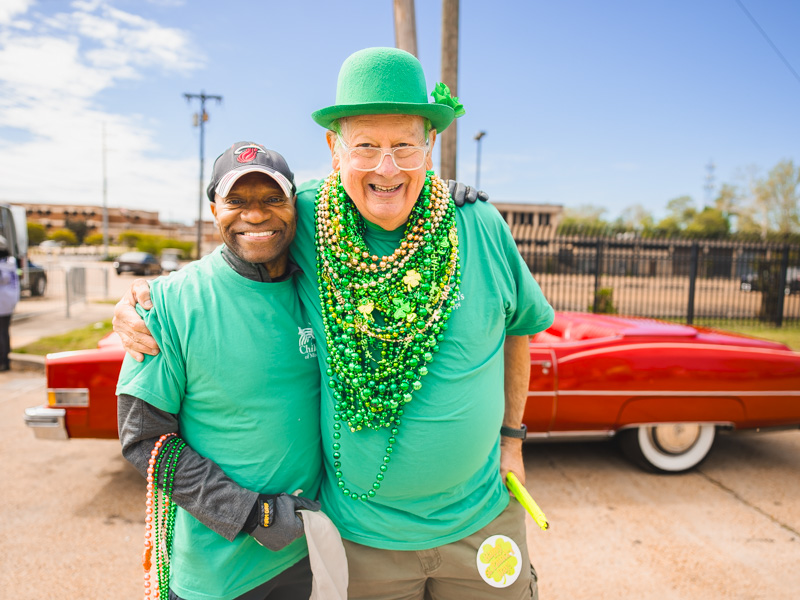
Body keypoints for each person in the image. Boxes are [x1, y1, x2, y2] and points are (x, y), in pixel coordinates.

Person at [115, 47, 554, 599]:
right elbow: (246, 234)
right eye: (366, 146)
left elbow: (521, 327)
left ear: (430, 146)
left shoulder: (479, 225)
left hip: (483, 521)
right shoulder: (309, 220)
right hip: (363, 540)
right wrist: (144, 296)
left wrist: (513, 438)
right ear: (334, 147)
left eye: (404, 146)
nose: (385, 168)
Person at [115, 143, 324, 600]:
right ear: (214, 210)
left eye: (272, 199)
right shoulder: (169, 303)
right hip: (217, 575)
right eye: (237, 201)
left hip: (307, 557)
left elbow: (376, 192)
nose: (255, 215)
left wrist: (442, 193)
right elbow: (144, 439)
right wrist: (252, 514)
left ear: (295, 208)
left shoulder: (318, 292)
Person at [0, 234, 20, 372]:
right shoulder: (10, 261)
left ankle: (3, 361)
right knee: (4, 332)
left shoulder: (2, 265)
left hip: (2, 302)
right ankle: (5, 359)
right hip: (9, 301)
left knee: (1, 333)